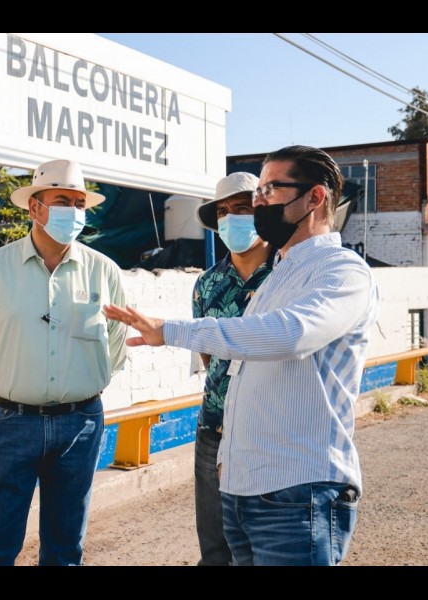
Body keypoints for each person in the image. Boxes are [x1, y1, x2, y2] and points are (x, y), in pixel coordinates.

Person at [103, 145, 379, 566]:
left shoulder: (341, 270)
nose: (259, 203)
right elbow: (234, 372)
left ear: (315, 197)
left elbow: (289, 335)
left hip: (297, 491)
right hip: (243, 488)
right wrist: (228, 460)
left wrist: (172, 330)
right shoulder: (279, 273)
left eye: (269, 190)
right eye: (258, 193)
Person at [0, 159, 128, 566]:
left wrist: (81, 383)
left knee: (65, 549)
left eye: (79, 203)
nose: (74, 211)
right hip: (8, 422)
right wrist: (12, 378)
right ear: (34, 208)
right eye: (62, 201)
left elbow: (117, 345)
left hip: (80, 423)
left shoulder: (104, 272)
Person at [191, 172, 275, 566]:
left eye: (242, 209)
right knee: (215, 548)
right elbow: (210, 359)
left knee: (264, 549)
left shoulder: (285, 274)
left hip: (269, 434)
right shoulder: (206, 284)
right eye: (223, 212)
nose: (230, 219)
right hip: (214, 430)